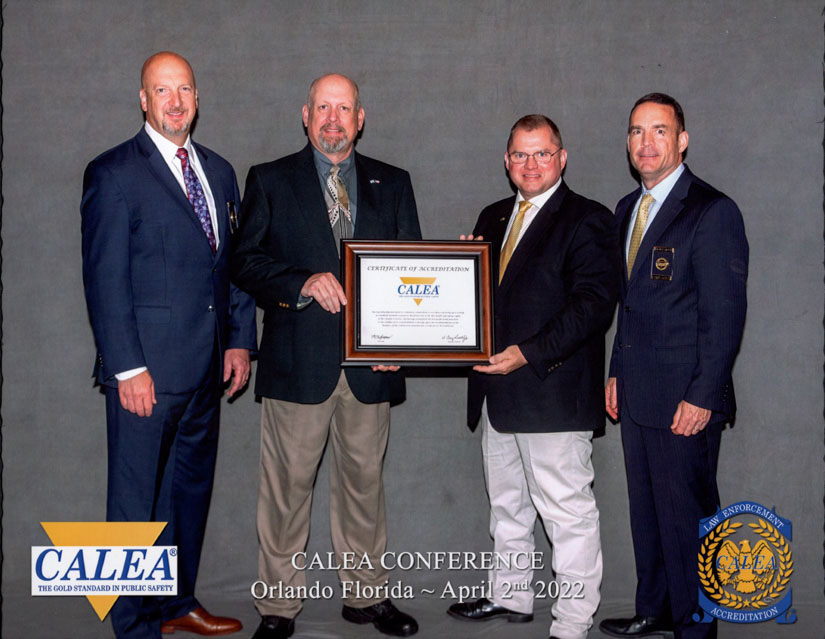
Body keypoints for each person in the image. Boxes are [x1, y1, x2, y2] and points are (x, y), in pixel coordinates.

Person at [231, 73, 421, 639]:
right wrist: (302, 281)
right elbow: (244, 263)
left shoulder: (395, 182)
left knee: (365, 486)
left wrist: (404, 344)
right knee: (286, 491)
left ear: (360, 118)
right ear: (305, 115)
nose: (333, 118)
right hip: (297, 362)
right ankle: (278, 607)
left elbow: (412, 272)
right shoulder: (268, 180)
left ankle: (366, 598)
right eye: (323, 107)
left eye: (344, 108)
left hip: (371, 368)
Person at [81, 51, 256, 639]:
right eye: (163, 90)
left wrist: (238, 342)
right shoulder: (113, 173)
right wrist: (126, 367)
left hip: (206, 372)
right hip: (145, 377)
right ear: (143, 100)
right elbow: (105, 280)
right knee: (133, 506)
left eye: (184, 89)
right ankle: (130, 626)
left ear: (197, 98)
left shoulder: (220, 171)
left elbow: (228, 267)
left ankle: (174, 605)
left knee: (187, 496)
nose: (176, 101)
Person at [446, 115, 621, 639]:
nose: (531, 165)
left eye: (542, 154)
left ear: (562, 158)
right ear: (506, 161)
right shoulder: (494, 216)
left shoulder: (588, 218)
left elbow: (594, 304)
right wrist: (459, 274)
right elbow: (480, 302)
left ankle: (571, 621)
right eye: (520, 155)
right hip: (497, 391)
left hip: (552, 389)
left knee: (566, 514)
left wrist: (527, 353)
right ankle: (512, 594)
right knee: (508, 506)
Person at [600, 94, 748, 639]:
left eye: (659, 131)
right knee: (648, 514)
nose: (647, 142)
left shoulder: (711, 211)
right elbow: (630, 305)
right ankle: (655, 610)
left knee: (688, 523)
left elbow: (725, 316)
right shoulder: (626, 210)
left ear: (681, 140)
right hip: (638, 392)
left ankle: (696, 628)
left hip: (687, 399)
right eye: (637, 131)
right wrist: (615, 370)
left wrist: (704, 395)